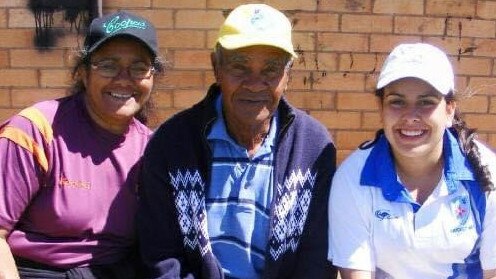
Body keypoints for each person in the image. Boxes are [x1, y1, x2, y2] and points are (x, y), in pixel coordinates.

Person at [137, 3, 337, 279]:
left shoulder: (313, 146)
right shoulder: (172, 143)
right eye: (239, 66)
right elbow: (162, 255)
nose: (255, 84)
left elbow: (316, 256)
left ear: (287, 76)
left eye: (271, 69)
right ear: (216, 67)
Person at [0, 10, 165, 278]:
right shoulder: (36, 130)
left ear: (152, 76)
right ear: (84, 73)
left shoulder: (153, 148)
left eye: (139, 67)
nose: (124, 79)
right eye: (109, 65)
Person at [328, 43, 496, 279]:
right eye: (397, 101)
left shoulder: (487, 173)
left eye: (426, 102)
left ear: (449, 110)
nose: (410, 116)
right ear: (381, 108)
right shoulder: (353, 178)